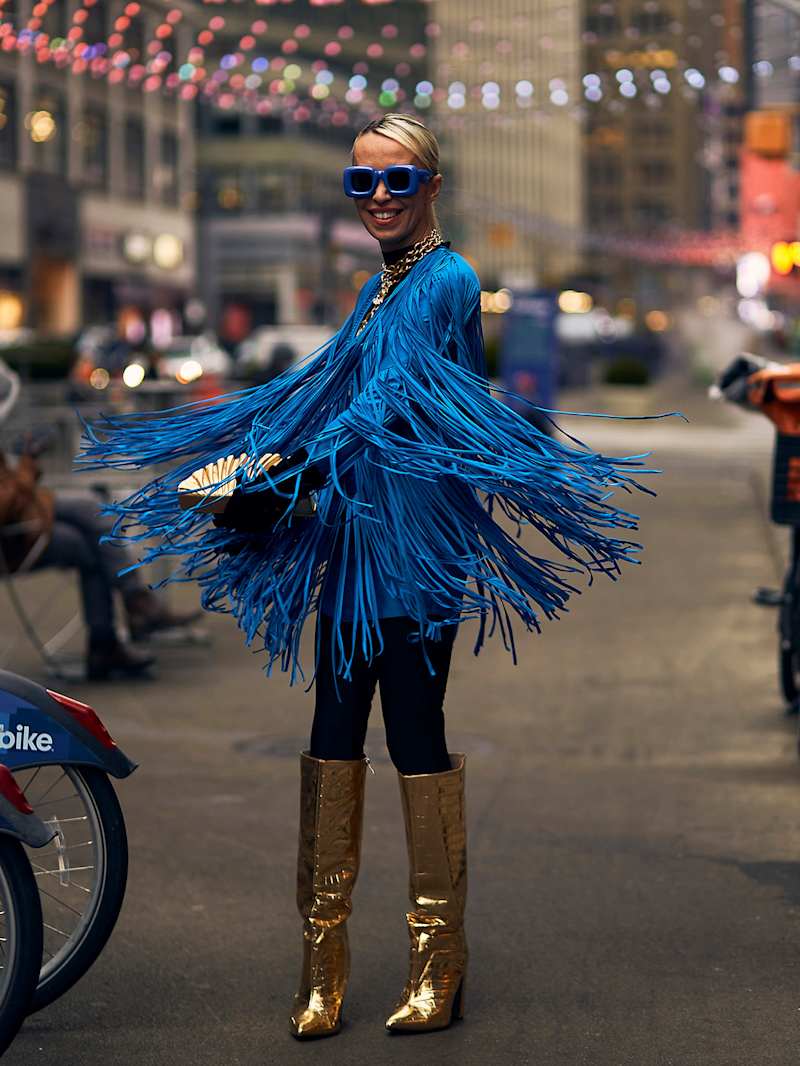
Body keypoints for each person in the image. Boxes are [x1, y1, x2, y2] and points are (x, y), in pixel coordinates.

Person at [79, 115, 664, 1037]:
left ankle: (441, 963)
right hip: (354, 547)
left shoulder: (446, 280)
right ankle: (323, 967)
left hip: (417, 550)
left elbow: (387, 409)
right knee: (331, 738)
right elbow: (325, 397)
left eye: (397, 181)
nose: (380, 198)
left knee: (418, 740)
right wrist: (260, 463)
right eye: (362, 184)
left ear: (433, 185)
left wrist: (282, 477)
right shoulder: (377, 287)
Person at [0, 370, 198, 681]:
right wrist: (26, 468)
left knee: (95, 515)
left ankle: (124, 620)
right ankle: (124, 621)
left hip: (28, 517)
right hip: (15, 536)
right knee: (92, 542)